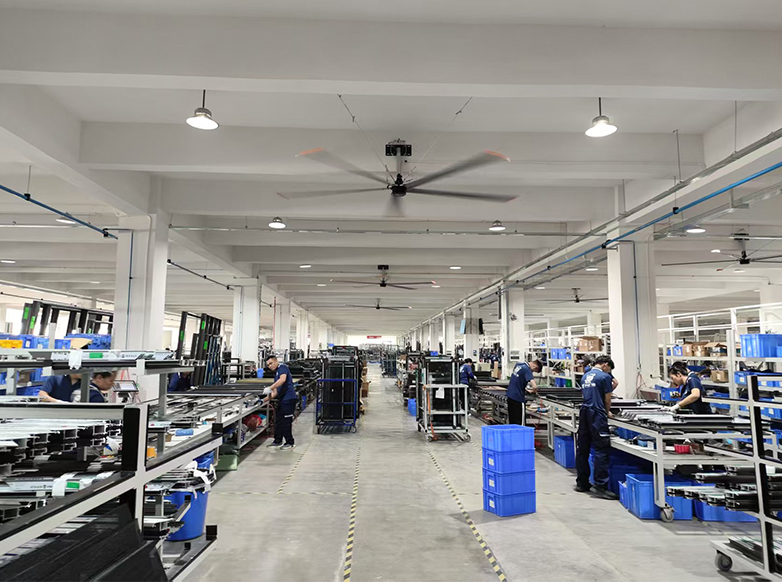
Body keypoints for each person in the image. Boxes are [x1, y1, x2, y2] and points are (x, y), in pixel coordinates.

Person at [575, 355, 618, 499]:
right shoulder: (604, 377)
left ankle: (582, 482)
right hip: (597, 414)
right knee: (601, 448)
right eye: (609, 369)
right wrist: (607, 412)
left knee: (583, 448)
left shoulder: (585, 375)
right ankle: (601, 486)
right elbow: (607, 400)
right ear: (605, 365)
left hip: (584, 411)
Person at [263, 355, 298, 450]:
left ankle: (290, 442)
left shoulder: (283, 368)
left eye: (271, 363)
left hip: (289, 399)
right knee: (278, 421)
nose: (270, 366)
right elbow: (275, 392)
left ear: (276, 361)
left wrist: (270, 387)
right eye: (268, 365)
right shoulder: (276, 374)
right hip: (282, 400)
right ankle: (278, 440)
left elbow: (283, 380)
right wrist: (262, 400)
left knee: (286, 422)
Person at [507, 359, 542, 425]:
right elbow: (535, 386)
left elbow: (517, 379)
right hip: (518, 399)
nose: (532, 372)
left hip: (510, 396)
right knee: (520, 423)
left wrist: (524, 388)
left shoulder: (519, 365)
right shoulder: (527, 369)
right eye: (533, 371)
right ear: (535, 367)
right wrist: (533, 391)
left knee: (512, 422)